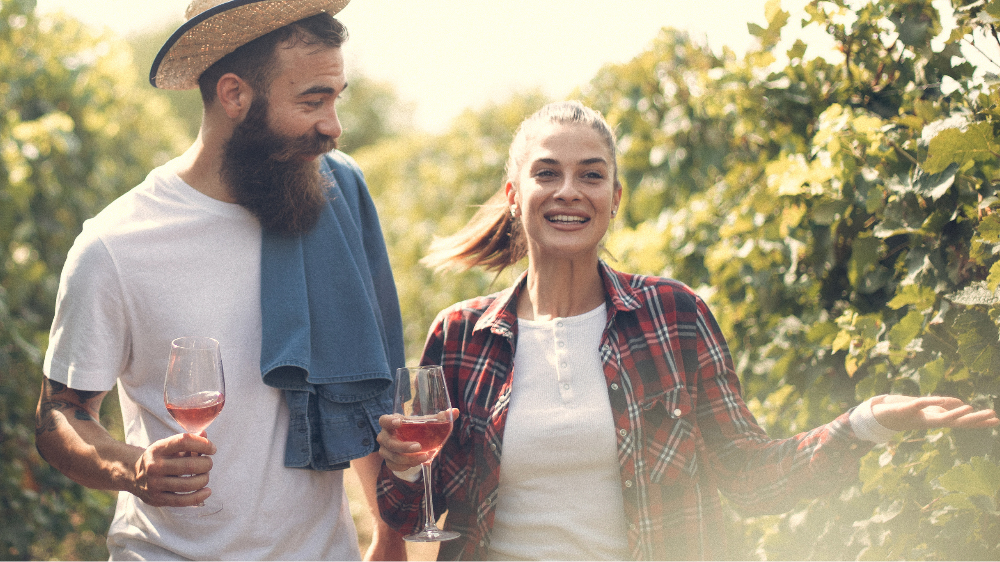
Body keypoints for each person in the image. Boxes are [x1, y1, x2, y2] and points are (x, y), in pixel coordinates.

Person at [374, 100, 1000, 561]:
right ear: (515, 194)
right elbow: (414, 514)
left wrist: (862, 425)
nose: (570, 191)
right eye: (548, 173)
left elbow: (752, 479)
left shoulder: (673, 316)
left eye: (592, 174)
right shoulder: (461, 335)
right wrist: (403, 469)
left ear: (614, 198)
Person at [34, 0, 407, 559]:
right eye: (313, 100)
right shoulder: (116, 244)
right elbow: (60, 413)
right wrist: (132, 468)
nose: (333, 126)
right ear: (235, 95)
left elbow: (366, 386)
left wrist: (389, 531)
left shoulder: (335, 199)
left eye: (336, 97)